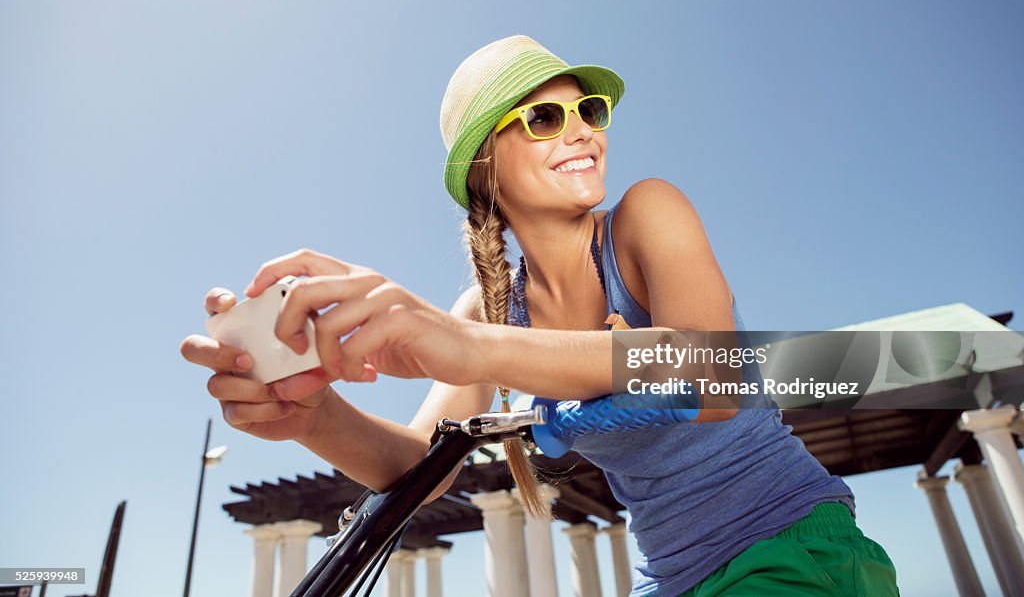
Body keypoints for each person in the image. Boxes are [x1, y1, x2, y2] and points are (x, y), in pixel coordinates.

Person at [180, 35, 899, 596]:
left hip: (794, 545)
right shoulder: (493, 313)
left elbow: (709, 374)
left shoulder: (648, 216)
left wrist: (471, 346)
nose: (583, 132)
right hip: (671, 576)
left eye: (591, 112)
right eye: (546, 118)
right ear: (485, 166)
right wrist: (311, 415)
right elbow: (419, 468)